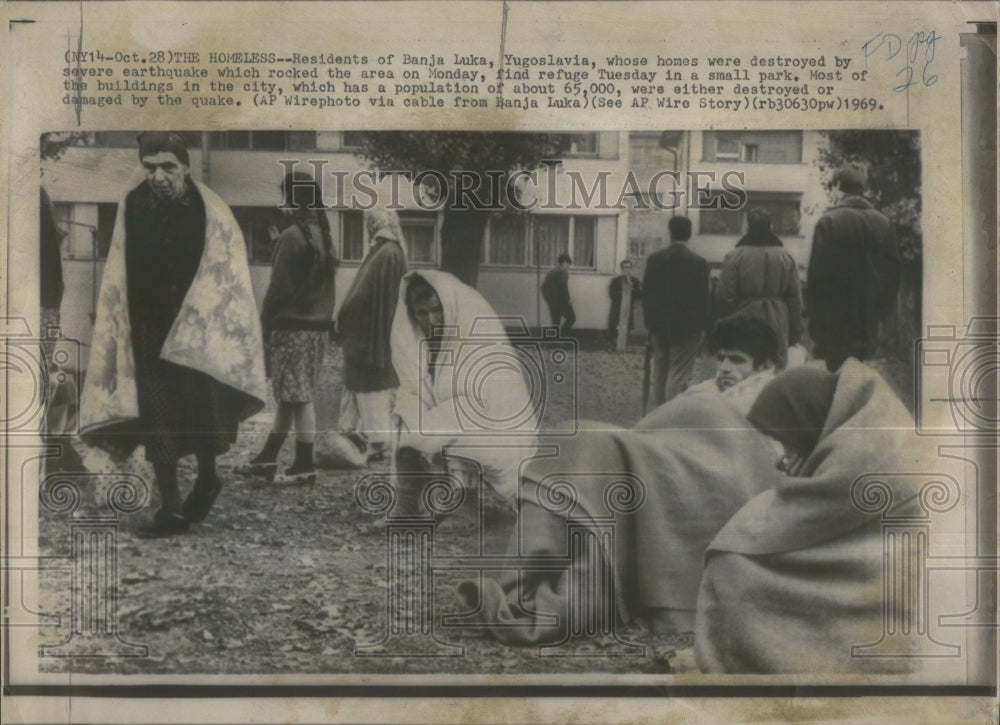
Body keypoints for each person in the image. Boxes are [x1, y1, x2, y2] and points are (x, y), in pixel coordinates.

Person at [79, 132, 266, 537]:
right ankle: (172, 508)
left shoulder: (208, 210)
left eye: (168, 166)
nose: (159, 176)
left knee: (202, 411)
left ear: (185, 166)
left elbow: (225, 272)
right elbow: (121, 266)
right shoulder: (133, 206)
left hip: (196, 333)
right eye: (150, 167)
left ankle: (208, 478)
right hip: (149, 332)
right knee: (157, 415)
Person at [696, 362, 930, 673]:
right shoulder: (886, 458)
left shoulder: (857, 476)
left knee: (730, 563)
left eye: (790, 442)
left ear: (811, 430)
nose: (783, 458)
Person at [389, 271, 537, 512]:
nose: (431, 320)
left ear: (450, 306)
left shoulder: (476, 337)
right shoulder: (422, 345)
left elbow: (490, 400)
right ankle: (407, 502)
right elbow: (415, 387)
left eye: (437, 310)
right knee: (406, 409)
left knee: (458, 416)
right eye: (422, 313)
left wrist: (437, 417)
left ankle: (466, 504)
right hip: (450, 419)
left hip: (497, 430)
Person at [238, 172, 338, 484]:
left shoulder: (291, 236)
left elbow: (277, 290)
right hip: (318, 329)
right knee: (292, 396)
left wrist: (263, 324)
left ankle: (304, 466)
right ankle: (268, 459)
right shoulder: (324, 235)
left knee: (299, 396)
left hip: (291, 328)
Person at [807, 165, 900, 371]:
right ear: (862, 188)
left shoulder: (829, 221)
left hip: (835, 320)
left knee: (835, 379)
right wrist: (880, 312)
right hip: (868, 320)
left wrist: (816, 321)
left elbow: (817, 278)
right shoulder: (883, 223)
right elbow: (892, 275)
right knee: (859, 375)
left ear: (839, 186)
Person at [337, 206, 408, 462]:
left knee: (371, 388)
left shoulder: (388, 254)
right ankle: (354, 436)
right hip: (362, 337)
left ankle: (379, 443)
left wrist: (380, 341)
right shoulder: (381, 251)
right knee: (360, 388)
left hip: (370, 337)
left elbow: (386, 301)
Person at [717, 208, 802, 365]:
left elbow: (725, 296)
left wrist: (724, 328)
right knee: (775, 366)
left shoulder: (734, 256)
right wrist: (795, 331)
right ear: (771, 228)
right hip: (778, 318)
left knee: (746, 363)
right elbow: (795, 298)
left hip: (745, 318)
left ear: (748, 228)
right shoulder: (786, 256)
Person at [642, 216, 709, 406]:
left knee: (660, 370)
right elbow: (703, 299)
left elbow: (648, 294)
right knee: (678, 373)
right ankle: (670, 417)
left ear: (670, 233)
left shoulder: (655, 260)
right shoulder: (699, 262)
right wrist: (703, 328)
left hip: (659, 326)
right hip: (688, 328)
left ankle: (659, 414)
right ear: (689, 234)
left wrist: (650, 325)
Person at [684, 314, 780, 416]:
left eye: (737, 360)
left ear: (765, 367)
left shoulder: (770, 405)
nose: (724, 368)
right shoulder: (703, 391)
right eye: (721, 359)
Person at [607, 259, 642, 349]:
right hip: (617, 308)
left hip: (628, 308)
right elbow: (611, 294)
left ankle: (624, 345)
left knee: (628, 326)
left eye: (628, 267)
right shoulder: (615, 281)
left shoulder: (635, 281)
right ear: (621, 268)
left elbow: (639, 294)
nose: (626, 269)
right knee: (614, 326)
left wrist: (631, 287)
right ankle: (614, 345)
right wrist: (623, 294)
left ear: (631, 268)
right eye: (625, 267)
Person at [540, 254, 575, 335]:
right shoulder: (563, 271)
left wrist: (549, 299)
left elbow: (543, 287)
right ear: (564, 262)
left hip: (552, 301)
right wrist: (568, 299)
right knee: (571, 318)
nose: (568, 267)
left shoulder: (551, 272)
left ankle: (553, 342)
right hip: (561, 301)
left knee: (555, 322)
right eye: (568, 264)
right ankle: (562, 336)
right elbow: (563, 286)